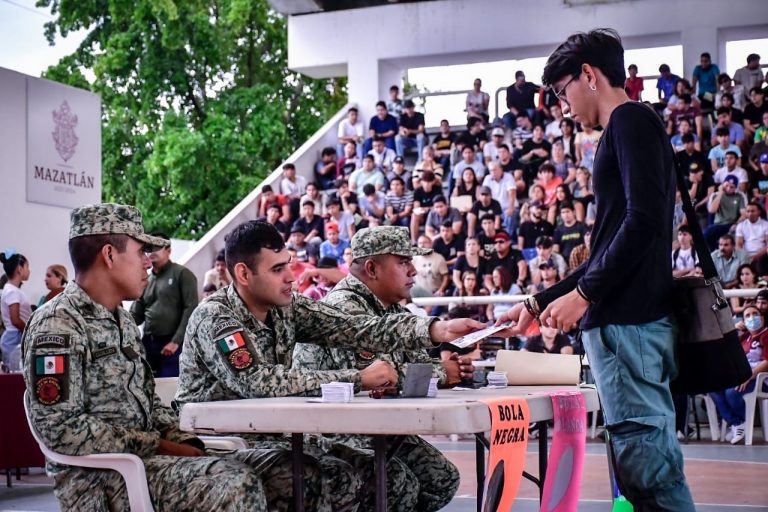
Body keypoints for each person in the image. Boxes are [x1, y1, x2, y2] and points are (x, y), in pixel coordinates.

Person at [23, 203, 334, 511]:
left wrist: (189, 442)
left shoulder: (122, 320)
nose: (148, 263)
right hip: (101, 479)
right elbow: (61, 428)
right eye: (140, 252)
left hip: (153, 462)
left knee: (299, 473)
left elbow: (148, 403)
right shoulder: (59, 323)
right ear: (109, 255)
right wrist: (158, 444)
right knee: (235, 483)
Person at [499, 29, 695, 510]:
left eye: (561, 90)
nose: (561, 104)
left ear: (588, 74)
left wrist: (583, 295)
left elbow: (645, 220)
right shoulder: (626, 128)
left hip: (630, 329)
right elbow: (610, 245)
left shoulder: (629, 120)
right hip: (625, 330)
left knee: (651, 477)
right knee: (640, 476)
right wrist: (538, 301)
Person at [175, 220, 483, 511]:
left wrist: (434, 331)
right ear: (243, 274)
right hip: (223, 441)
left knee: (391, 478)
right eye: (278, 269)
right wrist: (358, 378)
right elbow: (258, 382)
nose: (291, 277)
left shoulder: (287, 306)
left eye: (289, 264)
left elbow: (354, 328)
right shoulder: (216, 317)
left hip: (277, 432)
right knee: (324, 477)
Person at [293, 226, 471, 511]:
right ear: (373, 269)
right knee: (399, 484)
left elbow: (411, 363)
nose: (413, 270)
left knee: (441, 480)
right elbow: (375, 378)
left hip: (373, 426)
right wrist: (441, 373)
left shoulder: (388, 308)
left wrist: (448, 369)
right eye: (403, 262)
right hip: (332, 430)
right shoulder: (344, 306)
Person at [130, 233, 198, 377]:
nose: (152, 252)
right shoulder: (145, 278)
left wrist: (176, 341)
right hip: (148, 343)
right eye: (149, 248)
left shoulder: (182, 274)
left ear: (168, 250)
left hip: (172, 344)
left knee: (170, 386)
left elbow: (191, 309)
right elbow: (137, 314)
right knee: (149, 385)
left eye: (157, 247)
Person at [709, 303, 768, 445]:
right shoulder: (744, 337)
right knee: (713, 387)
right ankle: (737, 423)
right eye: (747, 316)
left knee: (731, 392)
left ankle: (740, 424)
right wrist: (734, 330)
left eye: (755, 314)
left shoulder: (766, 334)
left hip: (760, 379)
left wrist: (749, 375)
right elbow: (723, 350)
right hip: (741, 377)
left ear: (762, 318)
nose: (751, 318)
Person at [1, 250, 30, 371]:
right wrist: (29, 331)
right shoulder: (12, 291)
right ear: (19, 268)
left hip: (15, 336)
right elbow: (15, 320)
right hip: (14, 337)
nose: (29, 271)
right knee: (15, 373)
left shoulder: (13, 290)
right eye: (27, 267)